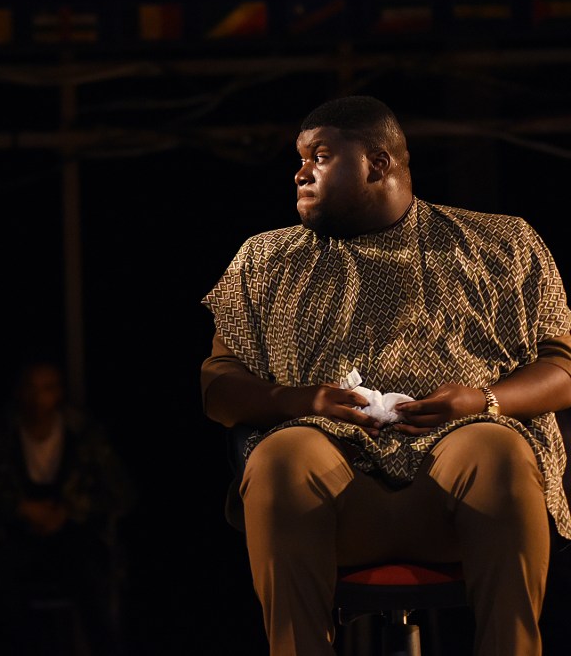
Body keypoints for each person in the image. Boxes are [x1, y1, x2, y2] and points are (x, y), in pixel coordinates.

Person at [200, 95, 571, 655]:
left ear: (377, 163)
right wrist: (299, 400)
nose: (300, 171)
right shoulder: (264, 258)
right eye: (300, 158)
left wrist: (482, 401)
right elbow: (218, 387)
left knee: (495, 448)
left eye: (320, 155)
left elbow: (562, 368)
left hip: (457, 502)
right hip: (335, 504)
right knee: (280, 456)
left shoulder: (501, 243)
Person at [0, 356, 137, 655]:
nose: (39, 398)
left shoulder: (83, 434)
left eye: (48, 388)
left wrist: (68, 509)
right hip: (12, 535)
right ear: (18, 391)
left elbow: (120, 492)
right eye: (31, 388)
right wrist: (19, 508)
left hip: (70, 534)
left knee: (94, 573)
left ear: (59, 392)